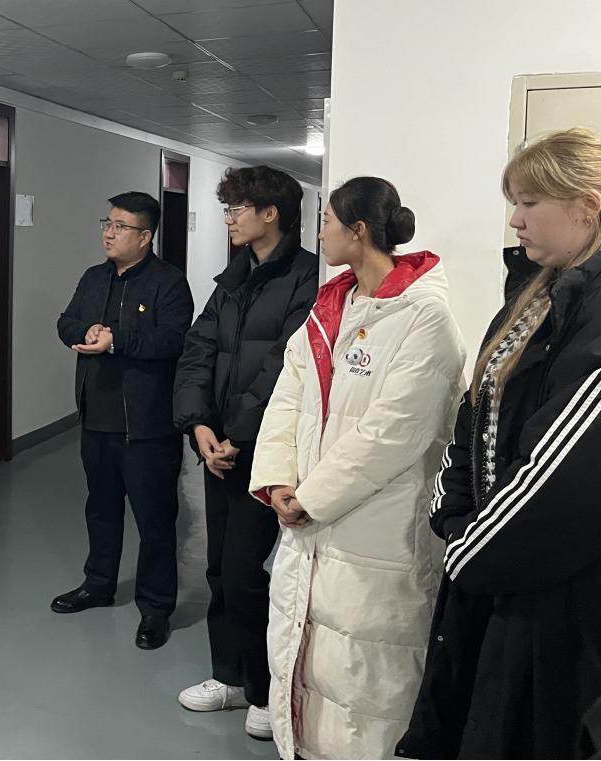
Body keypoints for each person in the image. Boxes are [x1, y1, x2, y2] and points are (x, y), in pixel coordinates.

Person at [400, 128, 601, 761]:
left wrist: (471, 551)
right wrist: (455, 514)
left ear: (587, 205)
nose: (516, 220)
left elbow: (571, 473)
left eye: (529, 203)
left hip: (563, 593)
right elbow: (474, 412)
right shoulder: (536, 293)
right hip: (496, 568)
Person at [248, 177, 467, 760]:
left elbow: (395, 432)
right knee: (307, 661)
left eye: (327, 221)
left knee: (367, 680)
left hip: (377, 528)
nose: (318, 233)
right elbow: (288, 396)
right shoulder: (329, 308)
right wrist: (279, 480)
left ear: (359, 230)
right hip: (309, 518)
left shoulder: (424, 318)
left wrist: (312, 497)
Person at [172, 166, 318, 739]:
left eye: (237, 208)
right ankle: (228, 676)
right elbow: (198, 348)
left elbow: (285, 365)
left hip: (264, 450)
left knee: (245, 572)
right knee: (218, 568)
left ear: (270, 213)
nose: (228, 218)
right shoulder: (233, 278)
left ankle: (262, 690)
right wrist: (199, 424)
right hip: (220, 449)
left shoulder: (306, 278)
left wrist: (238, 433)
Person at [53, 191, 194, 650]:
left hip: (147, 426)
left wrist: (115, 341)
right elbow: (66, 322)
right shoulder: (94, 278)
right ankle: (98, 584)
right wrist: (85, 330)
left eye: (120, 226)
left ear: (145, 236)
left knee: (155, 520)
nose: (109, 233)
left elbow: (171, 340)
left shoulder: (169, 283)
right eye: (107, 224)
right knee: (100, 509)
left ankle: (155, 608)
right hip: (96, 419)